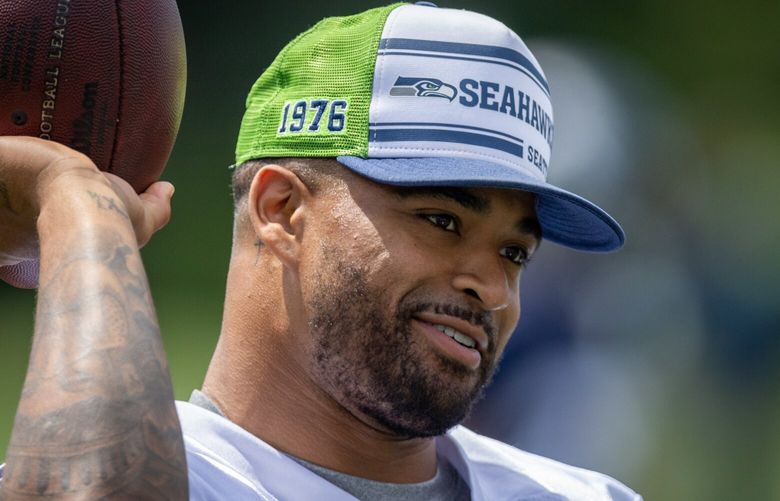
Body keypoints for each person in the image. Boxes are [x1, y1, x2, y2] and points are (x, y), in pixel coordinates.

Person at [0, 3, 642, 500]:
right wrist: (78, 204)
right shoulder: (153, 476)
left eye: (515, 252)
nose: (493, 289)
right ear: (281, 211)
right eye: (442, 219)